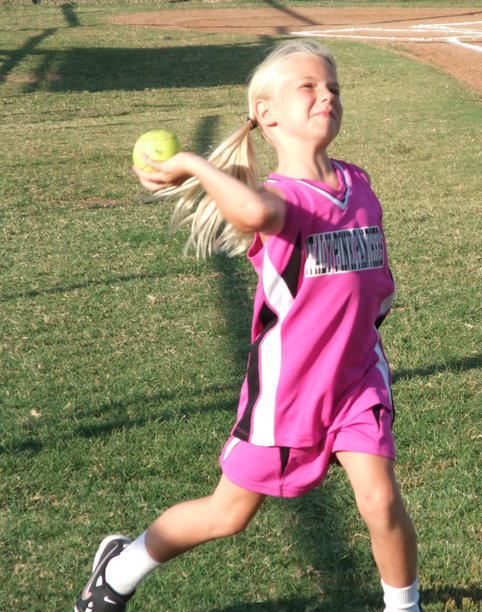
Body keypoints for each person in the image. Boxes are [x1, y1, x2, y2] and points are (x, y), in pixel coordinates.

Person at [75, 40, 421, 612]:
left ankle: (404, 607)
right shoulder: (279, 200)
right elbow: (255, 214)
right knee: (228, 514)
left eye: (333, 87)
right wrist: (191, 164)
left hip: (357, 377)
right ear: (267, 113)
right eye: (308, 87)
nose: (326, 96)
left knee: (380, 501)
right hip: (288, 391)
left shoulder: (358, 182)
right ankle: (120, 568)